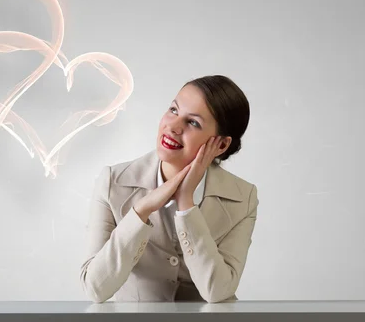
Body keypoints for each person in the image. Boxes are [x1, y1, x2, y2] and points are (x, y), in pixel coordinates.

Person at [79, 75, 258, 303]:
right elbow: (95, 289)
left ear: (221, 144)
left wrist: (186, 205)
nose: (172, 127)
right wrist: (141, 211)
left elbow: (217, 291)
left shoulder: (243, 197)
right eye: (173, 110)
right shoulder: (113, 182)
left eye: (193, 122)